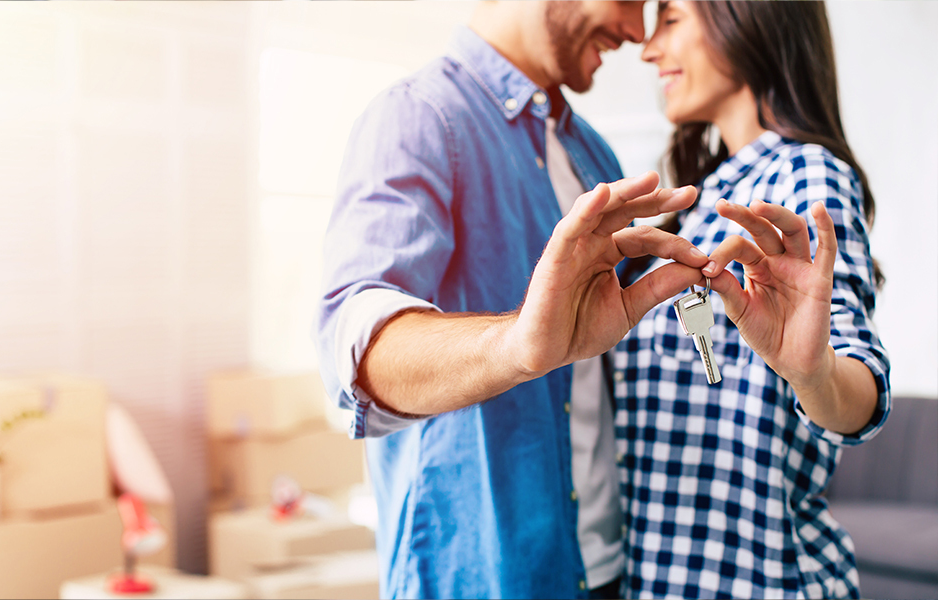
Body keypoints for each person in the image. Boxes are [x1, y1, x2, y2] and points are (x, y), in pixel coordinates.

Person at [312, 2, 713, 597]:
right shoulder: (420, 118)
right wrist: (519, 344)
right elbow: (356, 351)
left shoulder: (591, 155)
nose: (636, 32)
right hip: (481, 579)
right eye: (630, 1)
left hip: (605, 570)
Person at [613, 1, 891, 597]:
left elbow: (859, 386)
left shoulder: (805, 176)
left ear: (748, 17)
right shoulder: (698, 198)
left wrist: (813, 373)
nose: (648, 47)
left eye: (672, 19)